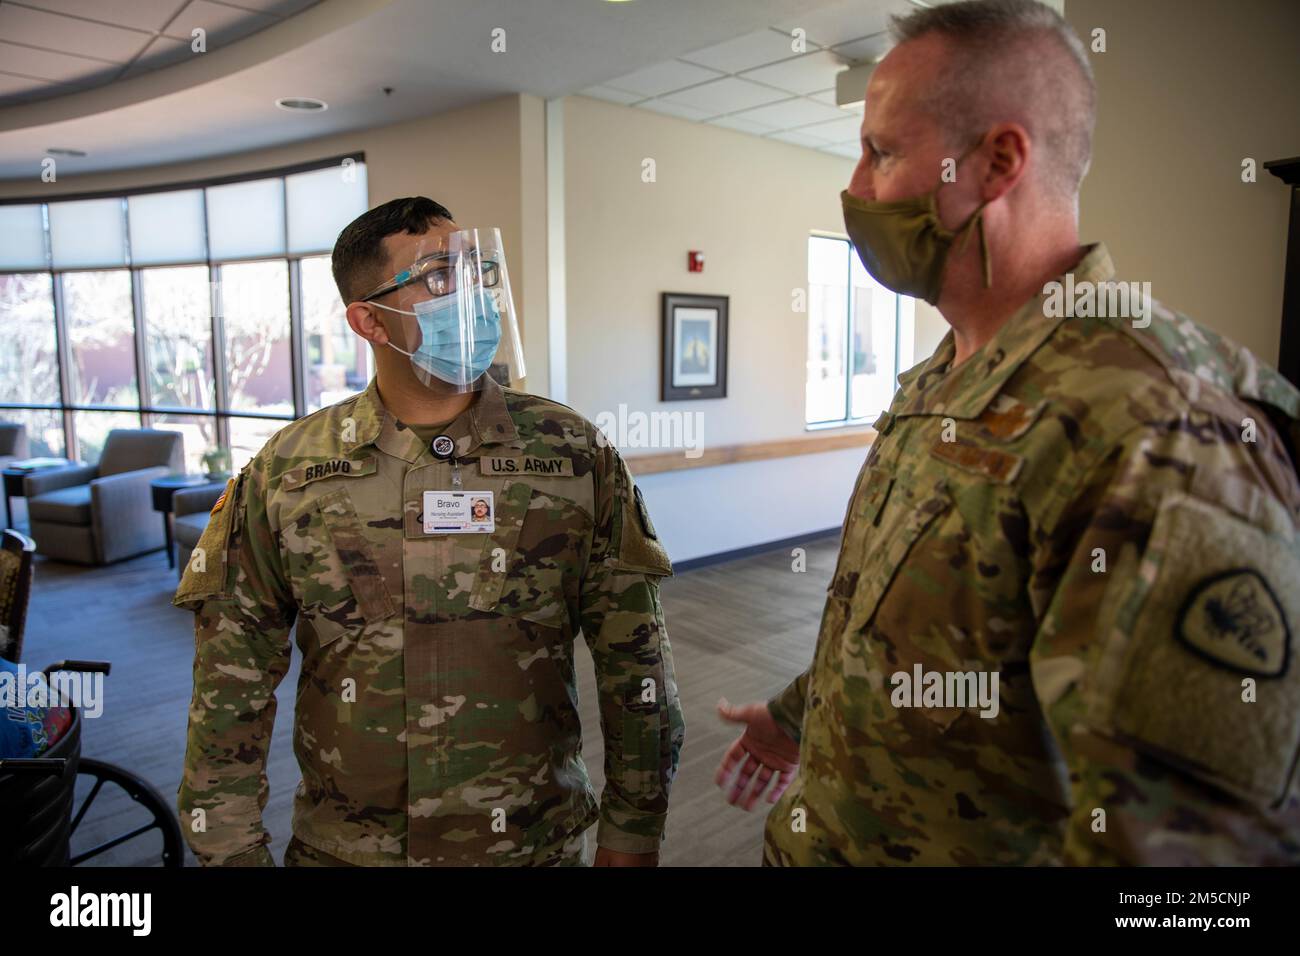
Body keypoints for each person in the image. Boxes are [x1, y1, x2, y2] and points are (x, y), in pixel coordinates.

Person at [717, 0, 1300, 865]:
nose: (856, 188)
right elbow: (918, 627)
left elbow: (1195, 863)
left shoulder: (1151, 424)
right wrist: (802, 715)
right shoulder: (944, 378)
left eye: (882, 151)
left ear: (998, 161)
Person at [175, 196, 683, 867]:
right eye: (440, 278)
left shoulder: (571, 453)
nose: (470, 296)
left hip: (530, 844)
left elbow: (636, 660)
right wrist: (229, 846)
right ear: (368, 321)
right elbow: (230, 680)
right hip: (349, 850)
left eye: (476, 272)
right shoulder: (290, 470)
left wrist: (632, 831)